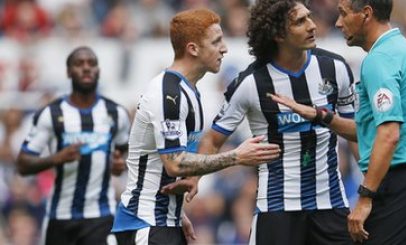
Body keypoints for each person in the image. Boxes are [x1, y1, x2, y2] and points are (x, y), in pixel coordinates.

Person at [268, 0, 406, 244]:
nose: (338, 23)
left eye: (343, 14)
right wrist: (322, 116)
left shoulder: (379, 60)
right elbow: (371, 131)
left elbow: (389, 135)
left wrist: (365, 196)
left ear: (366, 14)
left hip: (397, 186)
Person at [111, 8, 280, 245]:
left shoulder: (190, 92)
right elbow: (175, 163)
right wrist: (236, 157)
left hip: (166, 221)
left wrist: (178, 214)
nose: (224, 48)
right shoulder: (168, 93)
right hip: (145, 224)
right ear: (193, 48)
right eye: (216, 41)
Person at [198, 1, 356, 244]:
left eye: (309, 17)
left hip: (331, 205)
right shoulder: (251, 83)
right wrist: (193, 178)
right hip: (277, 208)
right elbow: (213, 138)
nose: (313, 25)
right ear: (278, 34)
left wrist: (370, 189)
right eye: (300, 21)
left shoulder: (335, 68)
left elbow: (355, 132)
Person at [16, 46, 131, 245]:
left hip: (101, 215)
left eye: (92, 64)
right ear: (68, 72)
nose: (86, 68)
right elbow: (22, 164)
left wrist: (118, 165)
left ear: (99, 71)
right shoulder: (51, 114)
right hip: (61, 216)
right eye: (79, 64)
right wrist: (56, 158)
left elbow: (123, 152)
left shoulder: (115, 113)